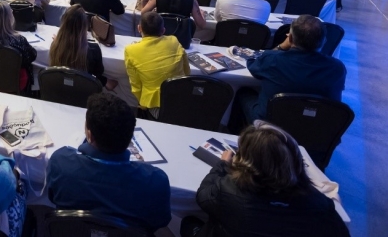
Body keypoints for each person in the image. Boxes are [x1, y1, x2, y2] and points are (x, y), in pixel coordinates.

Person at [181, 123, 350, 237]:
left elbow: (203, 195)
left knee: (188, 222)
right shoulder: (319, 204)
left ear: (246, 161)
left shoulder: (227, 190)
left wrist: (223, 164)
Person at [47, 93, 171, 232]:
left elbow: (52, 197)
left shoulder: (61, 162)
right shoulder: (156, 180)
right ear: (130, 138)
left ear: (89, 135)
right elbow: (160, 221)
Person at [232, 15, 346, 129]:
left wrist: (281, 47)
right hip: (317, 128)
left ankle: (239, 137)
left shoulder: (272, 59)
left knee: (243, 92)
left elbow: (253, 66)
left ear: (290, 38)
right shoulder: (338, 68)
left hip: (271, 125)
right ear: (324, 41)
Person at [124, 12, 190, 118]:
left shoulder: (130, 50)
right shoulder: (174, 40)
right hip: (180, 96)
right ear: (163, 30)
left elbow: (135, 85)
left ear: (139, 28)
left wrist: (142, 104)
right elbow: (187, 70)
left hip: (155, 105)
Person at [49, 5, 110, 88]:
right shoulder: (94, 49)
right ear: (85, 26)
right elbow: (98, 74)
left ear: (63, 24)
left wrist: (59, 40)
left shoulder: (55, 45)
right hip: (85, 94)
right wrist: (106, 82)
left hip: (60, 91)